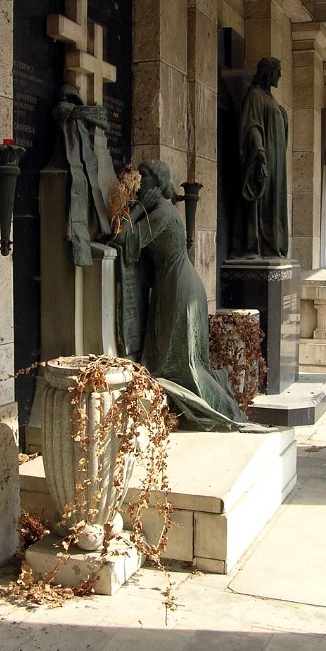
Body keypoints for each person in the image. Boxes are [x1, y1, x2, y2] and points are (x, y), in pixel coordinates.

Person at [114, 160, 245, 425]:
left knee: (180, 364)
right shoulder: (160, 210)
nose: (140, 181)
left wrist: (136, 208)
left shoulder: (162, 213)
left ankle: (217, 410)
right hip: (173, 284)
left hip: (179, 288)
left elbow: (122, 238)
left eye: (145, 176)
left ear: (158, 181)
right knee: (172, 358)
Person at [231, 57, 289, 259]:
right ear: (267, 72)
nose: (279, 75)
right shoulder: (255, 95)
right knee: (260, 200)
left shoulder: (271, 99)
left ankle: (272, 244)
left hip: (276, 163)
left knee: (273, 201)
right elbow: (252, 125)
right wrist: (259, 151)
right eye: (277, 71)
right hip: (263, 158)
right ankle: (254, 245)